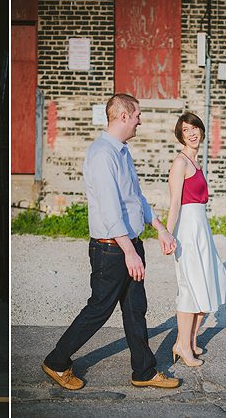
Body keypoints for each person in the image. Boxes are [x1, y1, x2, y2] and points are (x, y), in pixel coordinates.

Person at [42, 93, 179, 390]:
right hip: (112, 248)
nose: (141, 120)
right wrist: (129, 252)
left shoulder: (122, 151)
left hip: (129, 244)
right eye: (138, 115)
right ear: (123, 116)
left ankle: (143, 372)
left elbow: (135, 199)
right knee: (99, 309)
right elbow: (109, 209)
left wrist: (160, 228)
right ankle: (56, 361)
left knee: (135, 309)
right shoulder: (102, 154)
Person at [165, 112, 226, 367]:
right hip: (188, 230)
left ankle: (190, 341)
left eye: (194, 128)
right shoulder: (180, 163)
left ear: (201, 130)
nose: (191, 133)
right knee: (190, 288)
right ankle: (181, 345)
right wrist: (167, 234)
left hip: (201, 229)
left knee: (208, 282)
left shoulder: (197, 163)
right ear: (180, 135)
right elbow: (174, 205)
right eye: (185, 130)